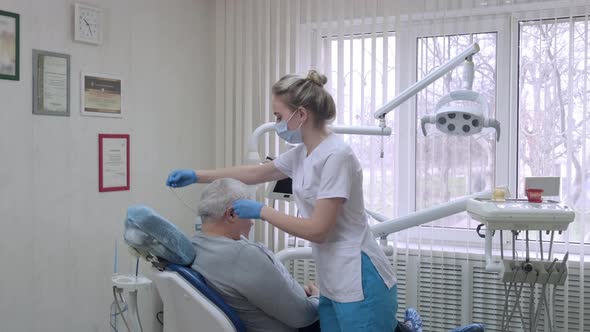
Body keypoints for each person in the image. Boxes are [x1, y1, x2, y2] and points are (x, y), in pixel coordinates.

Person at [166, 70, 416, 332]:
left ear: (302, 114)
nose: (277, 124)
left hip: (360, 277)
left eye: (279, 116)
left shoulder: (336, 156)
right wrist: (197, 175)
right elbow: (255, 173)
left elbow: (319, 230)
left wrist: (262, 211)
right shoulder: (302, 154)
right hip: (333, 279)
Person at [191, 178, 321, 332]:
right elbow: (303, 316)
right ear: (232, 214)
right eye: (250, 212)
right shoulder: (243, 255)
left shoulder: (195, 245)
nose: (252, 223)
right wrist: (318, 297)